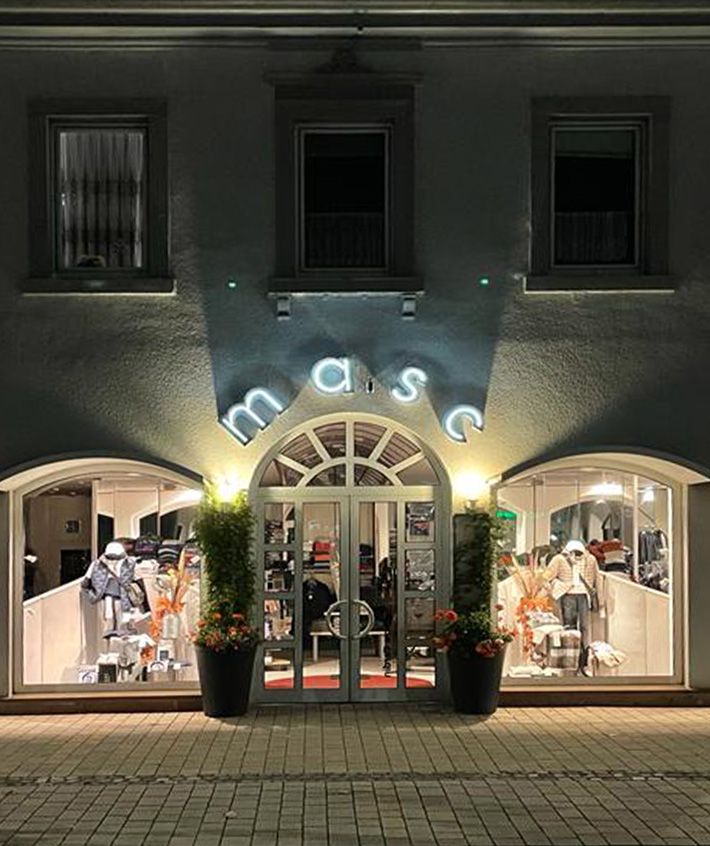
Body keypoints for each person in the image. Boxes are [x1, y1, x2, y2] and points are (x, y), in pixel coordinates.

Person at [543, 540, 602, 675]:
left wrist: (600, 601)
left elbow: (597, 580)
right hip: (568, 595)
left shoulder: (590, 559)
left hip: (584, 595)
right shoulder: (559, 559)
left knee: (585, 628)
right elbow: (546, 577)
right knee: (569, 628)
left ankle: (584, 663)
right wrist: (556, 588)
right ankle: (571, 662)